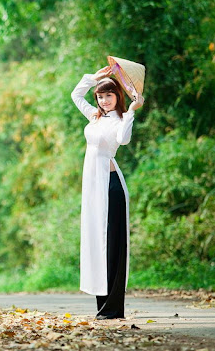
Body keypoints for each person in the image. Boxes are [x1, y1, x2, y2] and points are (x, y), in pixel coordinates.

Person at [70, 65, 145, 320]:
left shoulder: (120, 120)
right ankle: (103, 306)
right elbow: (75, 95)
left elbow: (123, 140)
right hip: (92, 188)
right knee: (96, 243)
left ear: (118, 97)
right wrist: (94, 78)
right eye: (101, 96)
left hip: (110, 187)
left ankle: (113, 309)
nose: (104, 100)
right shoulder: (95, 117)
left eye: (109, 95)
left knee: (112, 245)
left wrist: (132, 112)